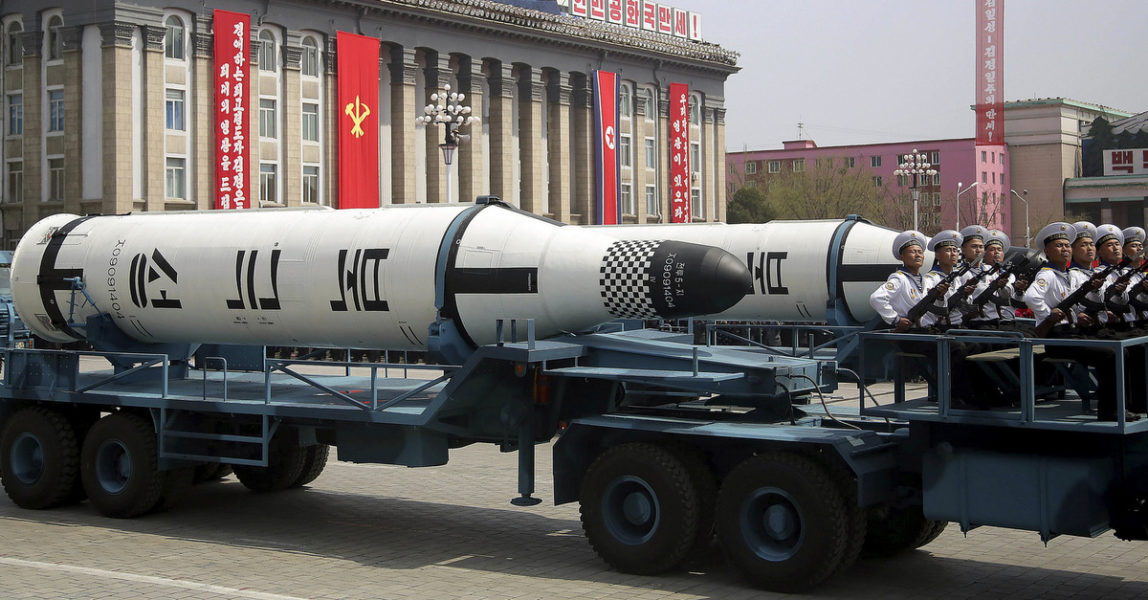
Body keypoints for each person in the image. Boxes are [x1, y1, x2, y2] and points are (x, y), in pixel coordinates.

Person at [1024, 221, 1134, 422]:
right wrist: (1049, 314)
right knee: (1110, 354)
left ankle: (1122, 404)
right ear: (1047, 251)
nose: (1065, 249)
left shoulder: (1066, 275)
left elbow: (1077, 305)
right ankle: (1109, 411)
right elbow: (1030, 297)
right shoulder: (1046, 275)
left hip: (1073, 332)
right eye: (1059, 246)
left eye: (1067, 245)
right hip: (1056, 338)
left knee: (1122, 348)